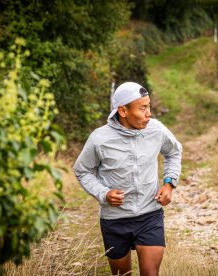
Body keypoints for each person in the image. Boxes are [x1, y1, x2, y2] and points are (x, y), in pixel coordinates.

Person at [73, 82, 182, 276]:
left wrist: (169, 183)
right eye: (143, 108)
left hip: (150, 214)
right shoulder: (99, 139)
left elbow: (174, 152)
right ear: (123, 111)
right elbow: (83, 171)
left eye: (149, 106)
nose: (149, 113)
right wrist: (104, 194)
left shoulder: (155, 129)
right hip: (115, 220)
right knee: (122, 275)